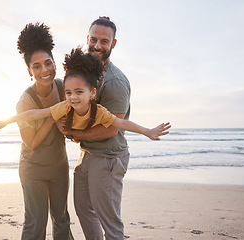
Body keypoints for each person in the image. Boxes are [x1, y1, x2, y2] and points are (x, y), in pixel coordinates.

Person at [0, 23, 73, 240]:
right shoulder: (25, 102)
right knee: (36, 222)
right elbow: (31, 142)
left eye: (48, 63)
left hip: (59, 166)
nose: (44, 70)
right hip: (33, 169)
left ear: (54, 63)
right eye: (36, 66)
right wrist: (51, 116)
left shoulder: (63, 87)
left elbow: (71, 122)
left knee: (62, 219)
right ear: (29, 71)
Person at [0, 48, 170, 142]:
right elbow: (34, 113)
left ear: (92, 94)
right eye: (68, 92)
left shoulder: (99, 112)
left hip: (100, 147)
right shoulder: (65, 106)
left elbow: (121, 123)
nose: (73, 97)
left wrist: (147, 131)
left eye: (79, 92)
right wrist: (7, 121)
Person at [61, 16, 137, 240]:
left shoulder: (115, 82)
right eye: (93, 39)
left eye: (104, 41)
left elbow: (111, 129)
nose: (97, 45)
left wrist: (74, 134)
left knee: (110, 222)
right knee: (84, 210)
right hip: (88, 154)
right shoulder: (85, 73)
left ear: (113, 44)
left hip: (108, 158)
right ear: (87, 39)